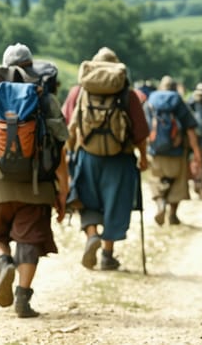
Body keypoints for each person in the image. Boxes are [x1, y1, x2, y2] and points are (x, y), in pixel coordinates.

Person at [0, 43, 69, 318]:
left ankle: (4, 262)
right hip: (38, 185)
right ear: (32, 65)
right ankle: (23, 297)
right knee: (30, 240)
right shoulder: (44, 96)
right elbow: (60, 151)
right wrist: (63, 193)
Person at [62, 46, 149, 271]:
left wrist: (69, 153)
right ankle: (107, 255)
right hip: (120, 159)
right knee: (115, 204)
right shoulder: (128, 95)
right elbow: (140, 131)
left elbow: (68, 125)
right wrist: (144, 157)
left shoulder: (79, 92)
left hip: (87, 156)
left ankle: (92, 236)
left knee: (87, 200)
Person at [144, 75, 202, 226]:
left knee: (157, 180)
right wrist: (196, 152)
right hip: (177, 150)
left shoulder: (150, 101)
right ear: (175, 88)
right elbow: (190, 129)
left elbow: (145, 128)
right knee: (178, 182)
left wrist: (144, 150)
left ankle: (160, 203)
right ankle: (172, 215)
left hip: (155, 151)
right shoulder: (177, 100)